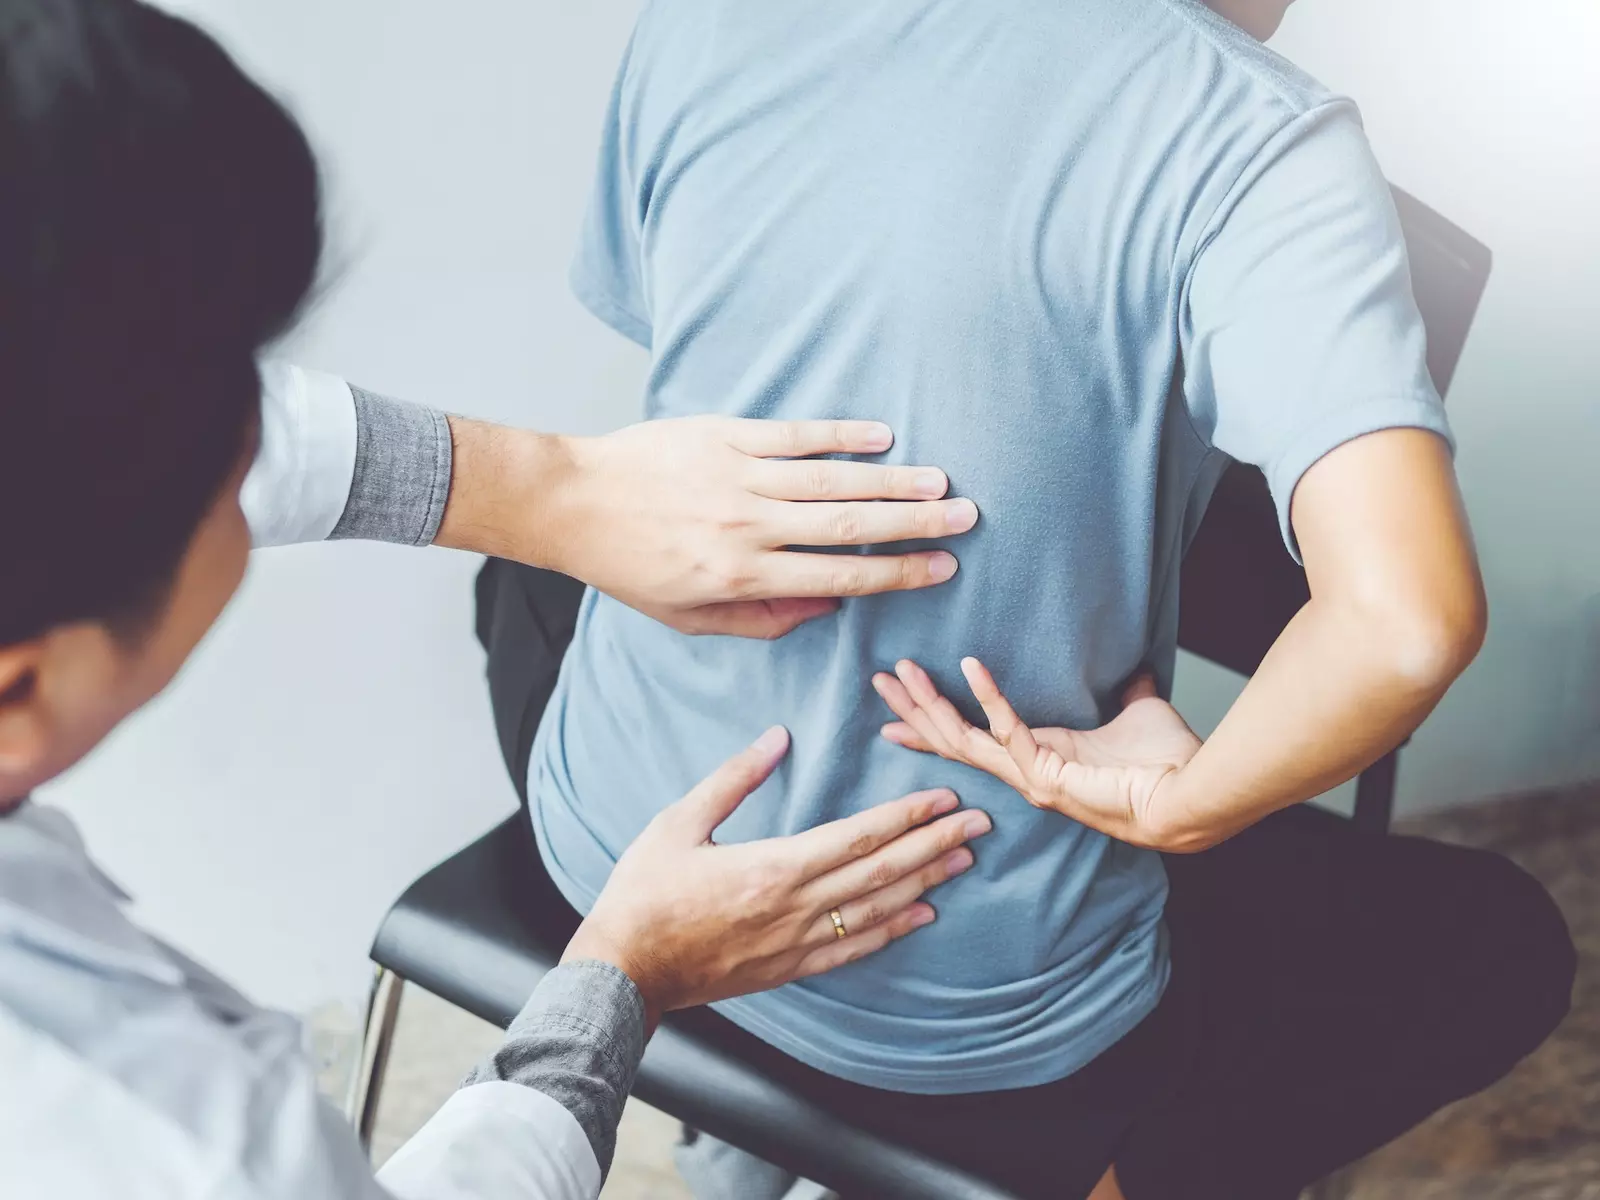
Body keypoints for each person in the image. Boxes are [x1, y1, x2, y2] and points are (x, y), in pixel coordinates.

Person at [512, 0, 1578, 1197]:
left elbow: (686, 357)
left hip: (612, 861)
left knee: (521, 582)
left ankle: (736, 1148)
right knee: (1502, 946)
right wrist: (1183, 806)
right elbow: (1402, 625)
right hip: (961, 1013)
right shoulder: (1255, 141)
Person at [0, 2, 993, 1197]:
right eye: (232, 425)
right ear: (19, 691)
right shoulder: (187, 1150)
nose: (261, 428)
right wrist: (619, 977)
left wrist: (558, 489)